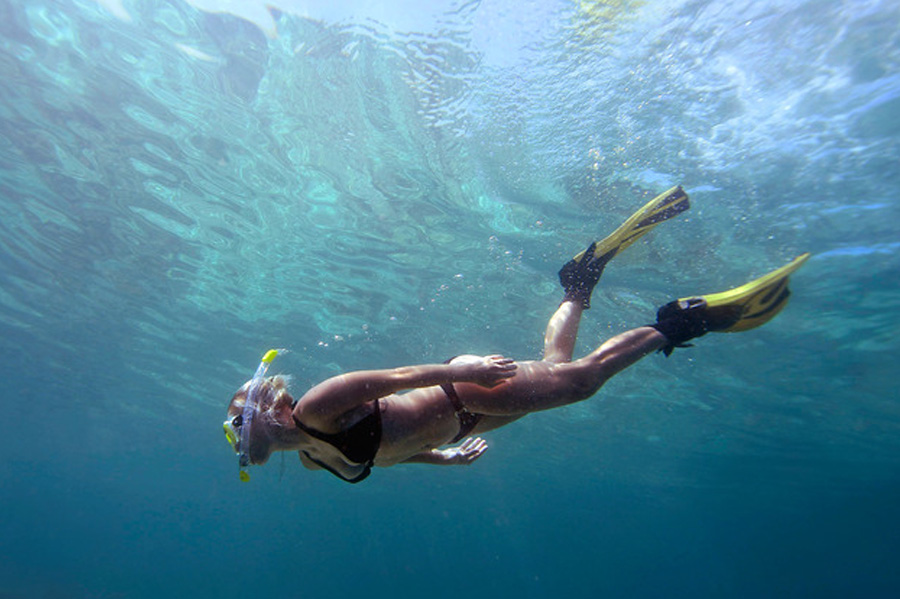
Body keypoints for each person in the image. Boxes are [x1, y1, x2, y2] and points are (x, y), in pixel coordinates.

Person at [223, 186, 809, 483]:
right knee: (556, 363)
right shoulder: (314, 462)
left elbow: (397, 378)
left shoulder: (319, 405)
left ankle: (677, 321)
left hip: (464, 389)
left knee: (580, 383)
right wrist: (444, 459)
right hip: (467, 422)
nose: (241, 436)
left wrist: (466, 372)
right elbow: (391, 453)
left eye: (242, 421)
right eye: (238, 432)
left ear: (269, 409)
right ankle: (578, 282)